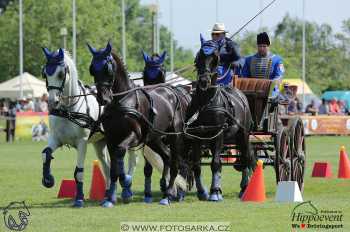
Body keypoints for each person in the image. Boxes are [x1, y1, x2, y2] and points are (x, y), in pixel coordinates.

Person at [242, 32, 285, 97]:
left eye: (264, 46)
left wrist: (271, 84)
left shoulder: (277, 60)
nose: (262, 48)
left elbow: (279, 76)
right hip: (252, 90)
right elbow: (244, 76)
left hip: (271, 90)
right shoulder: (248, 60)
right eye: (260, 46)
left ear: (268, 46)